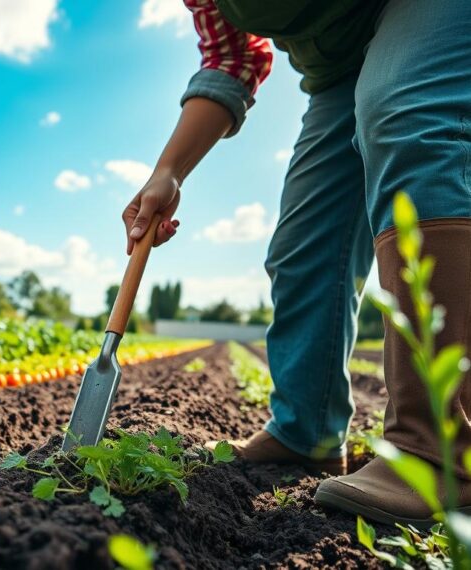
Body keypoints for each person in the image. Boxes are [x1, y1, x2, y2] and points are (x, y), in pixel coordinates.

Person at [123, 0, 471, 526]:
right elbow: (231, 58)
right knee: (304, 240)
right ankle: (305, 431)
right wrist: (169, 170)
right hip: (337, 69)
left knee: (406, 110)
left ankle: (439, 449)